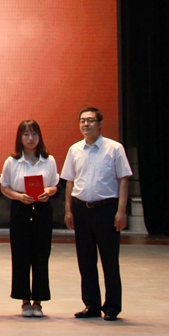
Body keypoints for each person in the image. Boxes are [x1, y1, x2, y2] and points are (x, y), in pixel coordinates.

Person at [60, 107, 132, 321]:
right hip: (81, 209)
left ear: (100, 124)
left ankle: (112, 307)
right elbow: (69, 181)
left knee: (109, 260)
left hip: (106, 209)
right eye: (82, 121)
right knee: (86, 260)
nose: (86, 124)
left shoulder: (114, 148)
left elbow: (123, 179)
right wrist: (68, 210)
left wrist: (121, 211)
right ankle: (91, 305)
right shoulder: (74, 150)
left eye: (90, 120)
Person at [0, 119, 59, 318]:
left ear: (39, 136)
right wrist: (18, 196)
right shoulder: (12, 161)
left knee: (41, 254)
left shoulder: (48, 160)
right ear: (20, 137)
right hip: (20, 209)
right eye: (26, 134)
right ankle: (24, 300)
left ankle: (38, 301)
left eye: (34, 134)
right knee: (21, 254)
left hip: (42, 209)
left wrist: (48, 191)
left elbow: (55, 185)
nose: (30, 138)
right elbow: (4, 187)